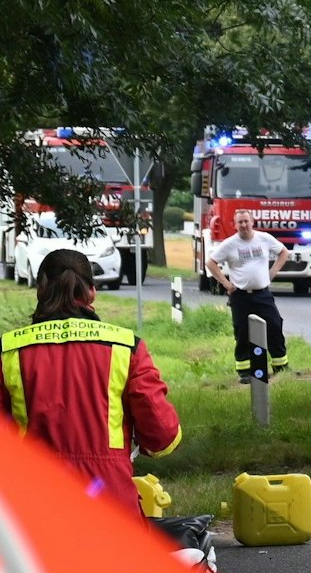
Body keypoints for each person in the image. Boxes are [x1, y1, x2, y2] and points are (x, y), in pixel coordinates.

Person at [1, 249, 182, 513]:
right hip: (110, 503)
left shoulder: (9, 351)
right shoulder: (126, 347)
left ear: (40, 289)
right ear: (92, 292)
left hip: (34, 506)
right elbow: (163, 436)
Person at [206, 216, 291, 383]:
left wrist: (272, 272)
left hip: (262, 294)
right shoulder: (230, 244)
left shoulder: (264, 238)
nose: (244, 225)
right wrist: (226, 284)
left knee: (275, 325)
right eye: (240, 222)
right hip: (240, 296)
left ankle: (281, 366)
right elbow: (211, 263)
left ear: (252, 223)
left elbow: (283, 252)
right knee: (242, 331)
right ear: (235, 224)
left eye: (246, 221)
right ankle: (245, 372)